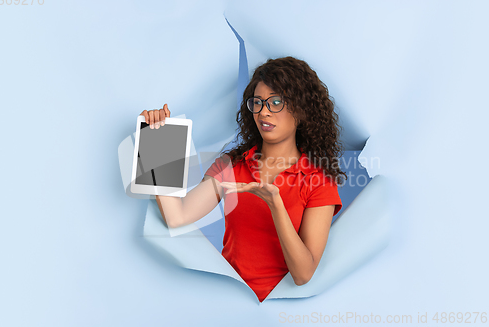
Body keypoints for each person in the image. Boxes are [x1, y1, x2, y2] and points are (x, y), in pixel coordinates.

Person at [140, 57, 347, 302]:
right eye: (257, 103)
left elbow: (303, 274)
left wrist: (275, 204)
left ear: (301, 111)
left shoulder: (318, 180)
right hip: (228, 303)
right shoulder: (231, 165)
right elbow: (177, 216)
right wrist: (157, 139)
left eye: (276, 102)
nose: (263, 112)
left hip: (278, 310)